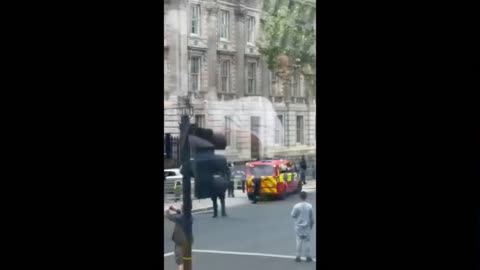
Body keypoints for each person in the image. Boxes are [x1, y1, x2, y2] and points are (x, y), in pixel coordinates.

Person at [165, 205, 193, 270]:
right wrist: (175, 209)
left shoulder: (181, 218)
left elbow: (169, 216)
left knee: (181, 262)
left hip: (181, 243)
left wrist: (166, 210)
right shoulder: (189, 216)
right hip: (188, 242)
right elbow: (180, 213)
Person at [291, 191, 314, 262]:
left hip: (299, 226)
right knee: (307, 241)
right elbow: (311, 217)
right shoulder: (309, 206)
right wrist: (312, 224)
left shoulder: (296, 206)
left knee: (299, 241)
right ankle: (308, 257)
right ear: (306, 196)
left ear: (300, 197)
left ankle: (298, 257)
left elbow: (293, 215)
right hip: (307, 226)